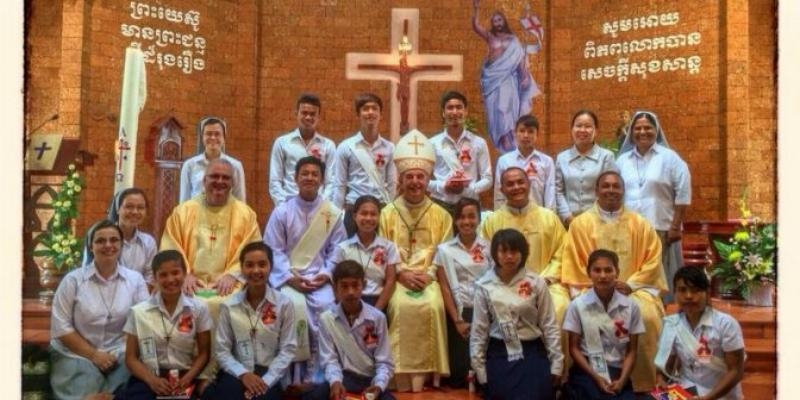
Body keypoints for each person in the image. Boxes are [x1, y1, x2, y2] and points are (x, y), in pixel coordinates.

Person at [561, 170, 667, 393]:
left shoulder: (640, 224)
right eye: (605, 186)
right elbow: (574, 263)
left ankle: (641, 384)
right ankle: (576, 380)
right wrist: (597, 286)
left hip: (633, 290)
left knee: (646, 315)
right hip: (591, 287)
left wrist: (631, 284)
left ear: (623, 191)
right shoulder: (580, 224)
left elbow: (652, 261)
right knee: (574, 312)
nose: (611, 190)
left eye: (616, 186)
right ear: (596, 191)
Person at [378, 129, 452, 392]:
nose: (415, 182)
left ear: (427, 179)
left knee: (434, 305)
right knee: (399, 305)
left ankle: (430, 375)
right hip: (398, 278)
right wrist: (400, 274)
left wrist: (430, 274)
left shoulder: (441, 215)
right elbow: (382, 250)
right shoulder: (387, 213)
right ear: (401, 179)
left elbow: (445, 251)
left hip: (428, 278)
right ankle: (399, 374)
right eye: (409, 176)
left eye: (420, 176)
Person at [264, 156, 347, 386]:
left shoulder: (331, 213)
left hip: (320, 279)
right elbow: (273, 249)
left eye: (314, 174)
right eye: (305, 173)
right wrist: (290, 279)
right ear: (295, 178)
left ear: (322, 180)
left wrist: (327, 274)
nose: (309, 177)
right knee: (291, 306)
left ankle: (319, 376)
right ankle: (290, 378)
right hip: (289, 279)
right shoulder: (282, 212)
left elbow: (338, 249)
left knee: (327, 307)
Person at [50, 219, 149, 400]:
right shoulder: (73, 281)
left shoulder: (135, 280)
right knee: (88, 393)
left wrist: (123, 349)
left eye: (114, 240)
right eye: (100, 241)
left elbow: (143, 321)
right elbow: (61, 327)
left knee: (126, 391)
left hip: (119, 353)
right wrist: (94, 355)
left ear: (121, 245)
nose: (108, 245)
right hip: (77, 354)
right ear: (91, 246)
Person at [162, 158, 262, 316]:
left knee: (224, 303)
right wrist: (183, 274)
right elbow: (170, 247)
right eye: (214, 176)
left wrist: (233, 274)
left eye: (226, 178)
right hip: (189, 283)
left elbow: (254, 250)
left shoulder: (245, 215)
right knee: (187, 301)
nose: (220, 181)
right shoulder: (183, 212)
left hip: (230, 284)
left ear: (233, 183)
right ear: (204, 180)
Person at [470, 228, 563, 399]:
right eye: (503, 251)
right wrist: (480, 371)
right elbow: (479, 332)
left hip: (532, 351)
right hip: (500, 352)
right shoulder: (484, 286)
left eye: (514, 251)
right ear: (495, 253)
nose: (509, 256)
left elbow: (550, 326)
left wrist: (557, 363)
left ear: (523, 253)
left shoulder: (536, 283)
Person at [203, 241, 298, 400]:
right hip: (237, 372)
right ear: (242, 268)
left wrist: (266, 381)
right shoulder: (229, 306)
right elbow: (222, 351)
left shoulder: (284, 304)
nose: (256, 270)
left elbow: (288, 349)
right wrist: (244, 374)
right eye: (249, 265)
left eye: (262, 264)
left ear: (271, 266)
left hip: (270, 373)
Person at [617, 110, 691, 300]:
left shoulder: (669, 158)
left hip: (662, 228)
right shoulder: (622, 161)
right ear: (631, 132)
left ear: (656, 130)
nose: (643, 132)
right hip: (630, 229)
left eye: (648, 128)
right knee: (632, 274)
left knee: (660, 278)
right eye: (638, 128)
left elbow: (683, 192)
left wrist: (675, 226)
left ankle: (661, 314)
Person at [121, 250, 213, 399]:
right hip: (150, 376)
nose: (170, 280)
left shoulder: (199, 309)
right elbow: (131, 358)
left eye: (176, 273)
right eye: (163, 275)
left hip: (186, 375)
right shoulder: (138, 312)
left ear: (184, 274)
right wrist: (152, 381)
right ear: (155, 278)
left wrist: (188, 379)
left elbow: (204, 353)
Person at [481, 166, 569, 321]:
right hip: (506, 283)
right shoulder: (492, 221)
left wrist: (544, 280)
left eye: (520, 182)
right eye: (510, 184)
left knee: (560, 306)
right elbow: (486, 257)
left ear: (529, 184)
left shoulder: (549, 218)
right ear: (502, 189)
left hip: (547, 283)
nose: (516, 187)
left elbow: (562, 253)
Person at [562, 249, 644, 400]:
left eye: (608, 270)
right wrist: (597, 378)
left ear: (617, 272)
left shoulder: (631, 307)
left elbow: (632, 350)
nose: (603, 276)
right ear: (589, 273)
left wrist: (622, 381)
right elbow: (573, 348)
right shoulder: (578, 305)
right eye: (597, 270)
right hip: (587, 371)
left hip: (618, 372)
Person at [654, 267, 745, 400]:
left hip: (721, 394)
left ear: (707, 293)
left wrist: (708, 398)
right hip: (685, 392)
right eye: (682, 290)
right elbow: (666, 364)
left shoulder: (726, 324)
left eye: (696, 290)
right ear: (675, 293)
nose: (689, 296)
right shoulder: (671, 324)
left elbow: (736, 371)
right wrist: (660, 380)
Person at [311, 260, 396, 400]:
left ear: (364, 285)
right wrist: (335, 382)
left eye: (355, 285)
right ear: (334, 288)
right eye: (344, 286)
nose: (350, 292)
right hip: (343, 379)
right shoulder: (326, 319)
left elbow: (384, 362)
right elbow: (330, 360)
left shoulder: (377, 318)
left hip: (370, 381)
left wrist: (379, 385)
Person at [434, 197, 492, 389]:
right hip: (458, 313)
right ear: (455, 220)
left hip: (485, 313)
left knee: (486, 373)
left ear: (479, 218)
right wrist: (457, 321)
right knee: (459, 374)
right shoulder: (444, 250)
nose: (466, 222)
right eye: (462, 217)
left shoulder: (490, 248)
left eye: (471, 217)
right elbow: (445, 287)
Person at [472, 0, 540, 153]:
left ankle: (511, 145)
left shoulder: (514, 40)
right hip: (491, 80)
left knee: (507, 112)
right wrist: (476, 9)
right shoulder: (490, 37)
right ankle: (504, 146)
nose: (497, 23)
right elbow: (476, 27)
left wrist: (524, 76)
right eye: (494, 21)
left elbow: (519, 60)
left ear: (504, 21)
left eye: (499, 19)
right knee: (495, 114)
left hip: (508, 80)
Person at [332, 93, 398, 236]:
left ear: (380, 114)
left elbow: (392, 184)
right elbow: (339, 184)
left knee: (380, 255)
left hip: (380, 210)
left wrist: (390, 210)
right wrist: (335, 218)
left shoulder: (390, 148)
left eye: (374, 108)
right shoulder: (346, 147)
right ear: (358, 114)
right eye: (365, 108)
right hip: (353, 210)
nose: (370, 112)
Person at [428, 90, 492, 215]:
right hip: (440, 204)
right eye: (450, 108)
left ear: (466, 112)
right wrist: (443, 186)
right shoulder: (432, 144)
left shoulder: (479, 143)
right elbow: (424, 180)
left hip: (469, 203)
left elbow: (488, 178)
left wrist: (469, 189)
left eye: (459, 107)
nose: (455, 112)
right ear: (443, 113)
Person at [331, 195, 399, 310]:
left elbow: (390, 281)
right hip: (349, 302)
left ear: (379, 216)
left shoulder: (389, 247)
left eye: (373, 214)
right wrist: (344, 309)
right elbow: (335, 281)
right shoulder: (342, 248)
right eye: (364, 213)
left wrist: (376, 311)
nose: (368, 218)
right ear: (354, 216)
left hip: (378, 302)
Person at [269, 93, 337, 206]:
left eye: (312, 114)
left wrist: (321, 206)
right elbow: (275, 181)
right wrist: (284, 207)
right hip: (288, 205)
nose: (308, 117)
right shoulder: (282, 143)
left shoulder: (328, 146)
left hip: (318, 208)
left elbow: (331, 182)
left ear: (319, 116)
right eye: (304, 113)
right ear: (296, 114)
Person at [555, 110, 618, 227]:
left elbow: (610, 191)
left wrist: (595, 218)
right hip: (569, 223)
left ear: (596, 131)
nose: (583, 130)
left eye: (588, 126)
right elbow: (558, 191)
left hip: (599, 222)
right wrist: (568, 218)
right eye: (578, 126)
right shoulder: (562, 158)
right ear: (572, 129)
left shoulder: (606, 157)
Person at [494, 115, 556, 210]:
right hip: (510, 217)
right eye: (522, 131)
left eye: (531, 131)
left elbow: (550, 193)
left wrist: (550, 218)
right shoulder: (504, 161)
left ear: (537, 135)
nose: (526, 135)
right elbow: (499, 194)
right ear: (515, 133)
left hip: (538, 217)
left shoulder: (546, 161)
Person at [179, 116, 247, 203]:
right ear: (202, 137)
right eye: (209, 133)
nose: (213, 137)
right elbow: (184, 201)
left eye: (217, 134)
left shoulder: (235, 166)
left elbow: (240, 201)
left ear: (224, 138)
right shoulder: (189, 165)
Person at [106, 188, 158, 285]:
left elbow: (150, 277)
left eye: (140, 208)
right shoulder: (104, 239)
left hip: (139, 297)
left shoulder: (148, 242)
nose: (135, 212)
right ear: (118, 209)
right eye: (129, 207)